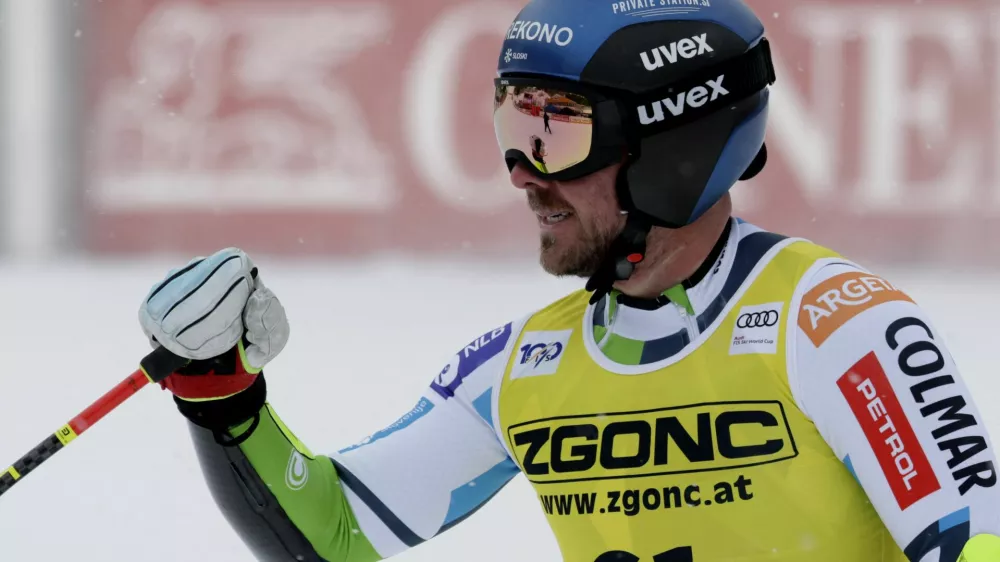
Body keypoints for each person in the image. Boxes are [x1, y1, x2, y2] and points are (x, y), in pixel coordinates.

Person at [137, 0, 1000, 560]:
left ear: (673, 146)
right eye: (512, 125)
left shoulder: (830, 322)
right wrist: (221, 395)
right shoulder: (528, 367)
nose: (521, 171)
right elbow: (331, 532)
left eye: (557, 133)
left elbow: (974, 542)